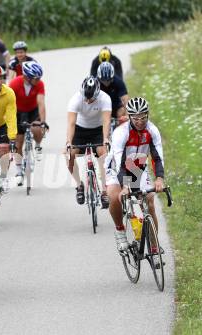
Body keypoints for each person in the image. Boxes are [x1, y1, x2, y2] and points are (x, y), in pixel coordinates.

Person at [105, 97, 165, 267]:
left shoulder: (152, 131)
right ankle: (120, 231)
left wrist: (159, 178)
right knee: (115, 196)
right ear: (130, 116)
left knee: (149, 200)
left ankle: (154, 248)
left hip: (138, 167)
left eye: (143, 117)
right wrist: (125, 186)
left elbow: (157, 157)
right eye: (136, 118)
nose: (140, 121)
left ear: (147, 115)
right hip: (117, 167)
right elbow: (118, 161)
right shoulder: (121, 133)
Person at [65, 76, 111, 208]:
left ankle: (104, 191)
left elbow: (107, 121)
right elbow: (71, 123)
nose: (87, 100)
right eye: (86, 97)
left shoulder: (105, 98)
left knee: (103, 154)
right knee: (69, 155)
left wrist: (106, 139)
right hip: (80, 129)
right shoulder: (76, 99)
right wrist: (68, 142)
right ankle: (79, 185)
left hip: (98, 130)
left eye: (91, 98)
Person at [9, 61, 48, 185]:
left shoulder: (39, 84)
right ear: (27, 76)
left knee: (37, 129)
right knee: (18, 142)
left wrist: (43, 122)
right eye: (35, 78)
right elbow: (8, 103)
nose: (38, 80)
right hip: (18, 111)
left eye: (39, 78)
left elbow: (41, 103)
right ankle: (19, 170)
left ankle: (37, 145)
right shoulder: (14, 83)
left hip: (33, 110)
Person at [96, 62, 129, 129]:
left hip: (115, 105)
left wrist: (128, 115)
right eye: (103, 80)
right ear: (99, 78)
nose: (106, 83)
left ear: (112, 76)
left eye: (108, 80)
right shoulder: (95, 83)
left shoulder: (118, 81)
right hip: (101, 107)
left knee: (121, 112)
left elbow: (125, 99)